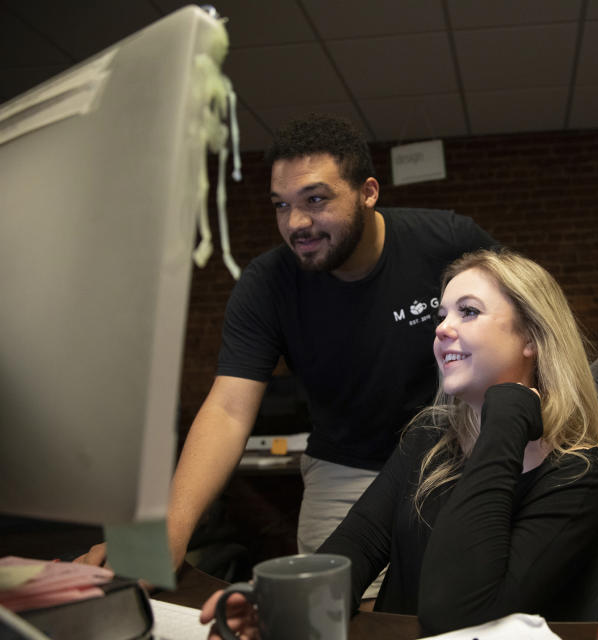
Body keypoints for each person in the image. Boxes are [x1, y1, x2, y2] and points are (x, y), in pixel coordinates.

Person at [76, 114, 496, 573]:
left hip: (457, 452)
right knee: (332, 611)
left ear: (368, 192)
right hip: (344, 468)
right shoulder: (267, 284)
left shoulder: (447, 243)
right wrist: (166, 534)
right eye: (281, 205)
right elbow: (228, 409)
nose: (296, 222)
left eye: (315, 199)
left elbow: (530, 326)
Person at [202, 249, 598, 636]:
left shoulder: (580, 475)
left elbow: (457, 617)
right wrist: (282, 604)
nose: (442, 329)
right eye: (441, 315)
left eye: (469, 312)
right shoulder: (431, 437)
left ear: (531, 337)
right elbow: (358, 544)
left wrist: (507, 419)